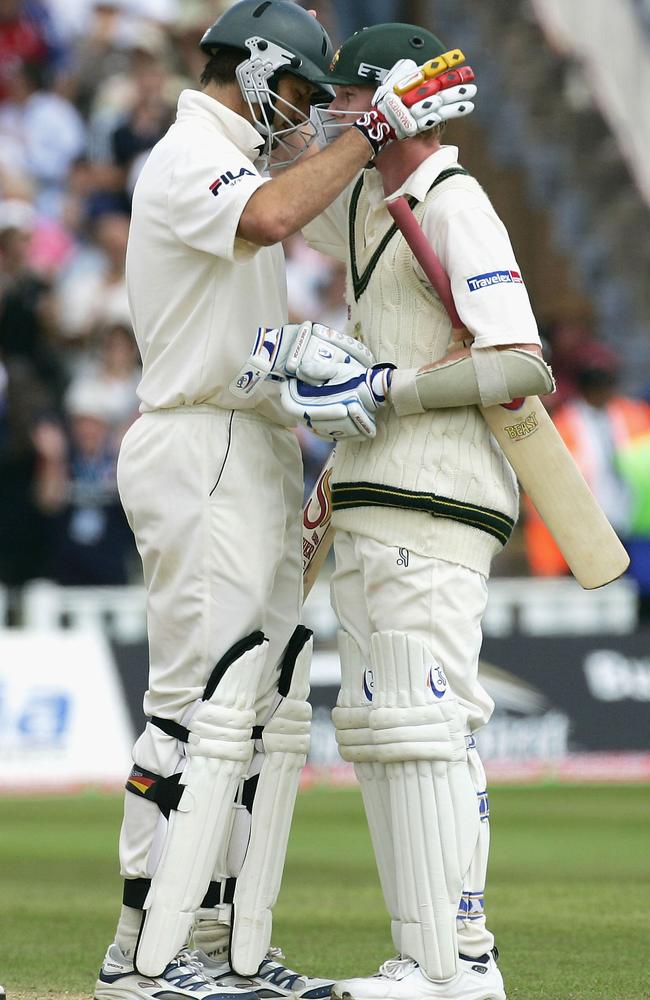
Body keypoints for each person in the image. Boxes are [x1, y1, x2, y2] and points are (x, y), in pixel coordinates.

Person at [92, 4, 474, 999]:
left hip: (247, 436)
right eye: (301, 93)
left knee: (251, 715)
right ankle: (143, 951)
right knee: (193, 703)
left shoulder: (233, 162)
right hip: (198, 441)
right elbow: (270, 218)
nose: (304, 116)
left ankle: (214, 942)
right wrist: (370, 131)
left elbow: (257, 264)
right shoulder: (189, 154)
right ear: (256, 71)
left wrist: (296, 353)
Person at [279, 23, 555, 1000]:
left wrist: (385, 386)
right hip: (367, 493)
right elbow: (273, 212)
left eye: (345, 100)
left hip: (434, 492)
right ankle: (422, 959)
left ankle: (457, 962)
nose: (328, 118)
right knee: (379, 732)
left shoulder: (453, 197)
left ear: (390, 102)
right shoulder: (365, 200)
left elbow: (520, 360)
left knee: (424, 727)